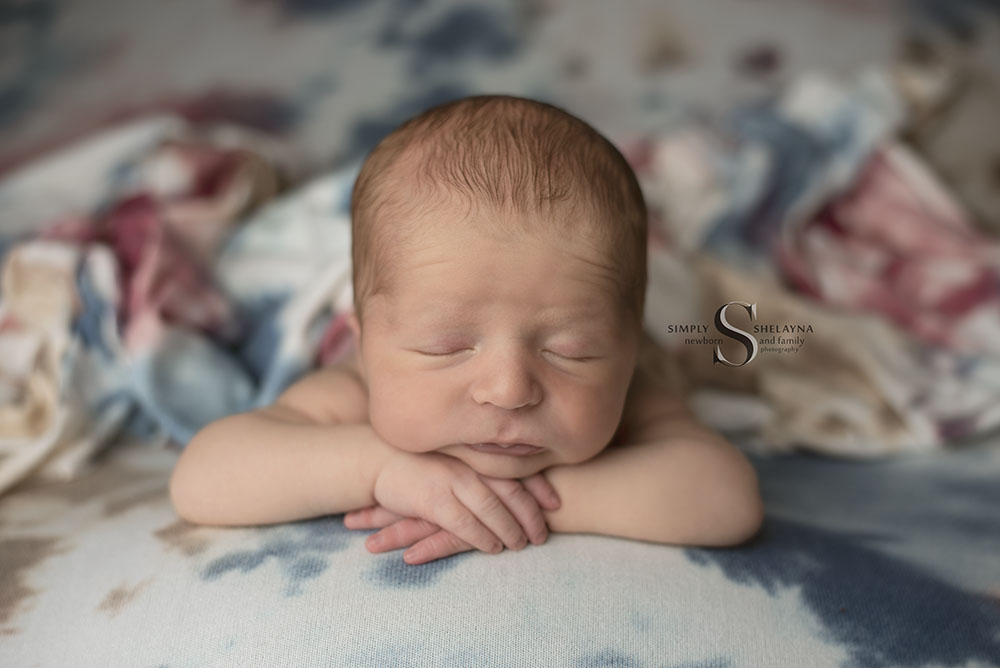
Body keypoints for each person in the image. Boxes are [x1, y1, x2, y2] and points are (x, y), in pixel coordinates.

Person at [169, 94, 764, 565]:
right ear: (367, 343)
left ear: (626, 349)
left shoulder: (625, 379)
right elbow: (203, 478)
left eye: (569, 352)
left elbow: (725, 499)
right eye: (446, 347)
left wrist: (513, 503)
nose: (509, 390)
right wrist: (376, 468)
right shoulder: (356, 381)